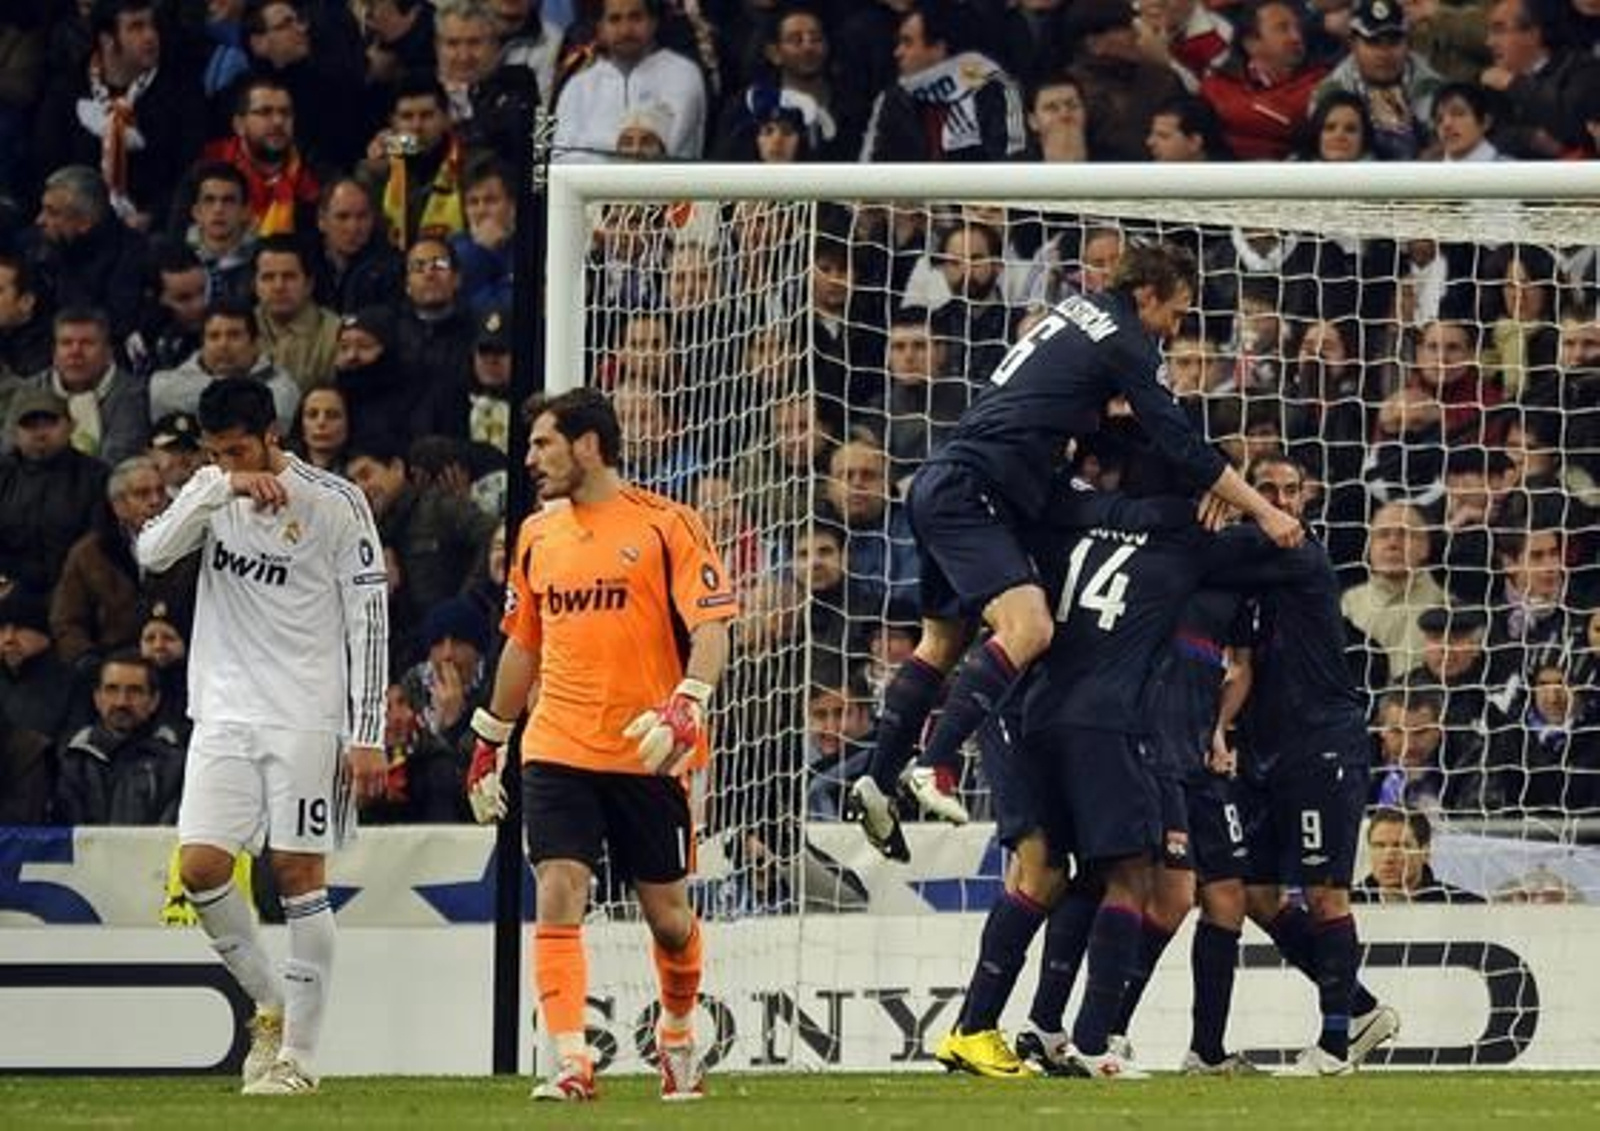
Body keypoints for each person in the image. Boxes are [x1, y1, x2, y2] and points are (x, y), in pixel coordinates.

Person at [852, 243, 1302, 854]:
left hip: (948, 478)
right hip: (981, 489)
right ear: (1147, 295)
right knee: (1029, 627)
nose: (1175, 329)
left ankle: (876, 781)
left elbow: (1118, 423)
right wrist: (1265, 509)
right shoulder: (1126, 338)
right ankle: (935, 766)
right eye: (1176, 313)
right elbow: (1179, 441)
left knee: (942, 640)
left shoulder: (1073, 313)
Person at [464, 387, 736, 1101]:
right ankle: (571, 1059)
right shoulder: (535, 534)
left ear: (588, 445)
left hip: (650, 749)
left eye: (543, 444)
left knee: (669, 919)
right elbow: (523, 643)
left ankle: (677, 1035)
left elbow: (711, 627)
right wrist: (492, 736)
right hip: (556, 743)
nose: (530, 460)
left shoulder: (667, 523)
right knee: (559, 888)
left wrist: (688, 702)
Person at [135, 376, 388, 1095]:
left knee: (298, 876)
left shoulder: (337, 503)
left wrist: (365, 729)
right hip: (221, 710)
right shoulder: (211, 489)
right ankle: (269, 1006)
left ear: (272, 434)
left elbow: (370, 619)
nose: (227, 461)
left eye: (239, 449)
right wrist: (219, 488)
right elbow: (152, 552)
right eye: (215, 451)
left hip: (308, 714)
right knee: (201, 867)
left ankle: (299, 1059)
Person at [1354, 806, 1485, 902]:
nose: (1388, 858)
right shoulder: (1347, 904)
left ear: (1425, 852)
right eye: (1379, 846)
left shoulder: (1464, 906)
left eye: (1400, 846)